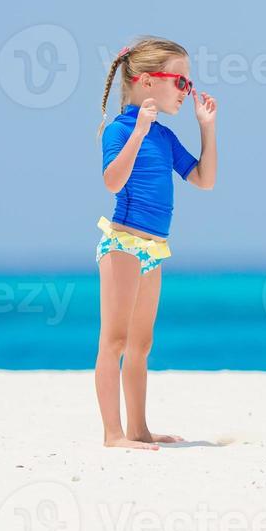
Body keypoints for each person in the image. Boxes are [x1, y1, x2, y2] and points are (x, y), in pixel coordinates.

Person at [93, 35, 217, 450]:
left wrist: (206, 127)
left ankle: (139, 429)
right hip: (124, 243)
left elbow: (203, 179)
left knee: (141, 345)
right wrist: (139, 129)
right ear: (147, 82)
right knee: (114, 341)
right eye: (180, 81)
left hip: (153, 250)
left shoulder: (164, 137)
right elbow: (113, 180)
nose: (187, 90)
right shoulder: (121, 129)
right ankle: (113, 434)